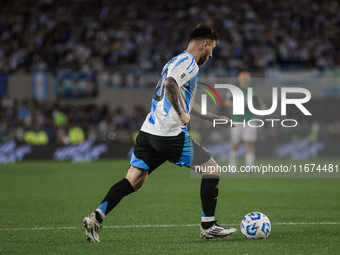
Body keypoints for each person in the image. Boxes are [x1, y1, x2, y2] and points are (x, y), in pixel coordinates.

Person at [82, 24, 237, 242]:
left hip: (149, 132)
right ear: (204, 44)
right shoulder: (190, 63)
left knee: (133, 181)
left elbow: (181, 96)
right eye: (211, 49)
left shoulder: (174, 61)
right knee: (212, 169)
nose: (211, 55)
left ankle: (96, 217)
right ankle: (208, 226)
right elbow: (170, 84)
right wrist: (181, 114)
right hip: (168, 134)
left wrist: (215, 118)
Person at [225, 70, 267, 169]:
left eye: (247, 77)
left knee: (249, 142)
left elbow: (257, 99)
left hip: (250, 119)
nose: (245, 79)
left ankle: (250, 167)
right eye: (243, 77)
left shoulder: (252, 89)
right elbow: (226, 102)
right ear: (239, 78)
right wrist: (238, 104)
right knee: (236, 142)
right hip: (237, 120)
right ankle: (232, 165)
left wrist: (262, 105)